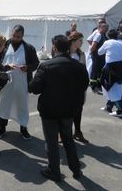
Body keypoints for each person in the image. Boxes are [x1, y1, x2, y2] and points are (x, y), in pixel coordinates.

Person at [29, 35, 88, 182]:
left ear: (54, 48)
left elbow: (35, 88)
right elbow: (84, 85)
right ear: (68, 47)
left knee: (51, 141)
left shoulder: (46, 66)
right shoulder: (79, 66)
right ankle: (76, 169)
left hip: (50, 110)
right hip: (69, 111)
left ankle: (54, 171)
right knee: (68, 138)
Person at [0, 25, 39, 140]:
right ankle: (1, 128)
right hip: (6, 82)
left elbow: (36, 63)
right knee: (4, 104)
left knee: (22, 105)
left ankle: (23, 128)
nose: (15, 38)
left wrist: (27, 67)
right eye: (14, 35)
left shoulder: (29, 48)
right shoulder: (4, 45)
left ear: (22, 36)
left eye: (18, 36)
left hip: (22, 82)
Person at [68, 31, 88, 142]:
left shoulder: (81, 54)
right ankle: (64, 133)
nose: (81, 43)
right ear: (73, 41)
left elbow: (84, 70)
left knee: (78, 110)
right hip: (67, 87)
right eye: (80, 40)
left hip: (78, 87)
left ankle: (78, 131)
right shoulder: (65, 54)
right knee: (66, 112)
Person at [87, 22, 108, 94]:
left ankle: (98, 84)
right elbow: (93, 46)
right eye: (105, 28)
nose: (106, 29)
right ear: (100, 27)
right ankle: (93, 85)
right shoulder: (98, 35)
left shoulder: (100, 34)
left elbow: (89, 39)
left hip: (100, 56)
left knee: (99, 70)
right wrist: (94, 51)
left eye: (107, 28)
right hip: (97, 56)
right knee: (95, 70)